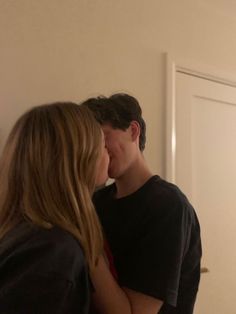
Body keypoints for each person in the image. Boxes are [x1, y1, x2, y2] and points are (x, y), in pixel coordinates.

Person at [81, 93, 202, 314]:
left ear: (133, 131)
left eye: (103, 138)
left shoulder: (169, 206)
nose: (97, 151)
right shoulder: (97, 201)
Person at [0, 102, 110, 313]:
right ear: (79, 158)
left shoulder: (29, 236)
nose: (108, 153)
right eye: (103, 145)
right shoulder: (53, 254)